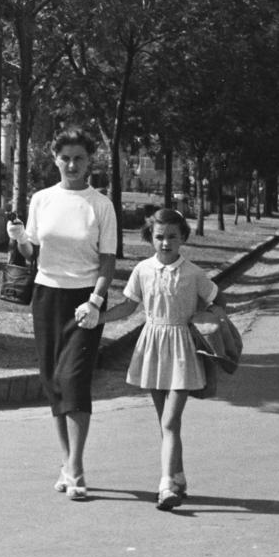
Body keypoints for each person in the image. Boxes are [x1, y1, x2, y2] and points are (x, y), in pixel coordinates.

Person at [6, 127, 118, 502]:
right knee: (54, 379)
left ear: (90, 162)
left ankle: (77, 467)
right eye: (65, 158)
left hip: (85, 299)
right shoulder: (42, 199)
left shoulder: (100, 205)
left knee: (75, 379)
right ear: (55, 159)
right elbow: (32, 253)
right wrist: (19, 237)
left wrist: (96, 301)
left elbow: (108, 261)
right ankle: (67, 463)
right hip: (47, 296)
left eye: (79, 158)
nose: (72, 165)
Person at [99, 208, 221, 511]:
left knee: (170, 420)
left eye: (172, 237)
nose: (166, 243)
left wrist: (209, 325)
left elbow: (216, 301)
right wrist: (97, 319)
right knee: (165, 422)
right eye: (159, 237)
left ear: (182, 238)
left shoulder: (193, 273)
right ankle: (178, 477)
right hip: (152, 345)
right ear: (150, 238)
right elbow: (128, 306)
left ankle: (165, 485)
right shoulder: (142, 270)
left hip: (182, 349)